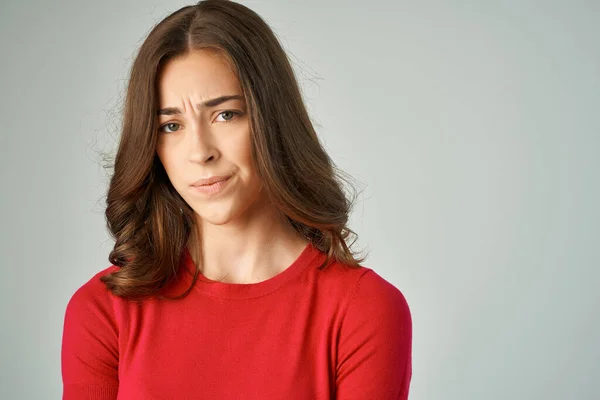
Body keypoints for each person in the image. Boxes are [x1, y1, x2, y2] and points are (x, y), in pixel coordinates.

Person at [60, 1, 412, 399]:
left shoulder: (363, 310)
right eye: (171, 125)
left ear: (272, 119)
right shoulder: (103, 311)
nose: (200, 152)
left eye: (225, 115)